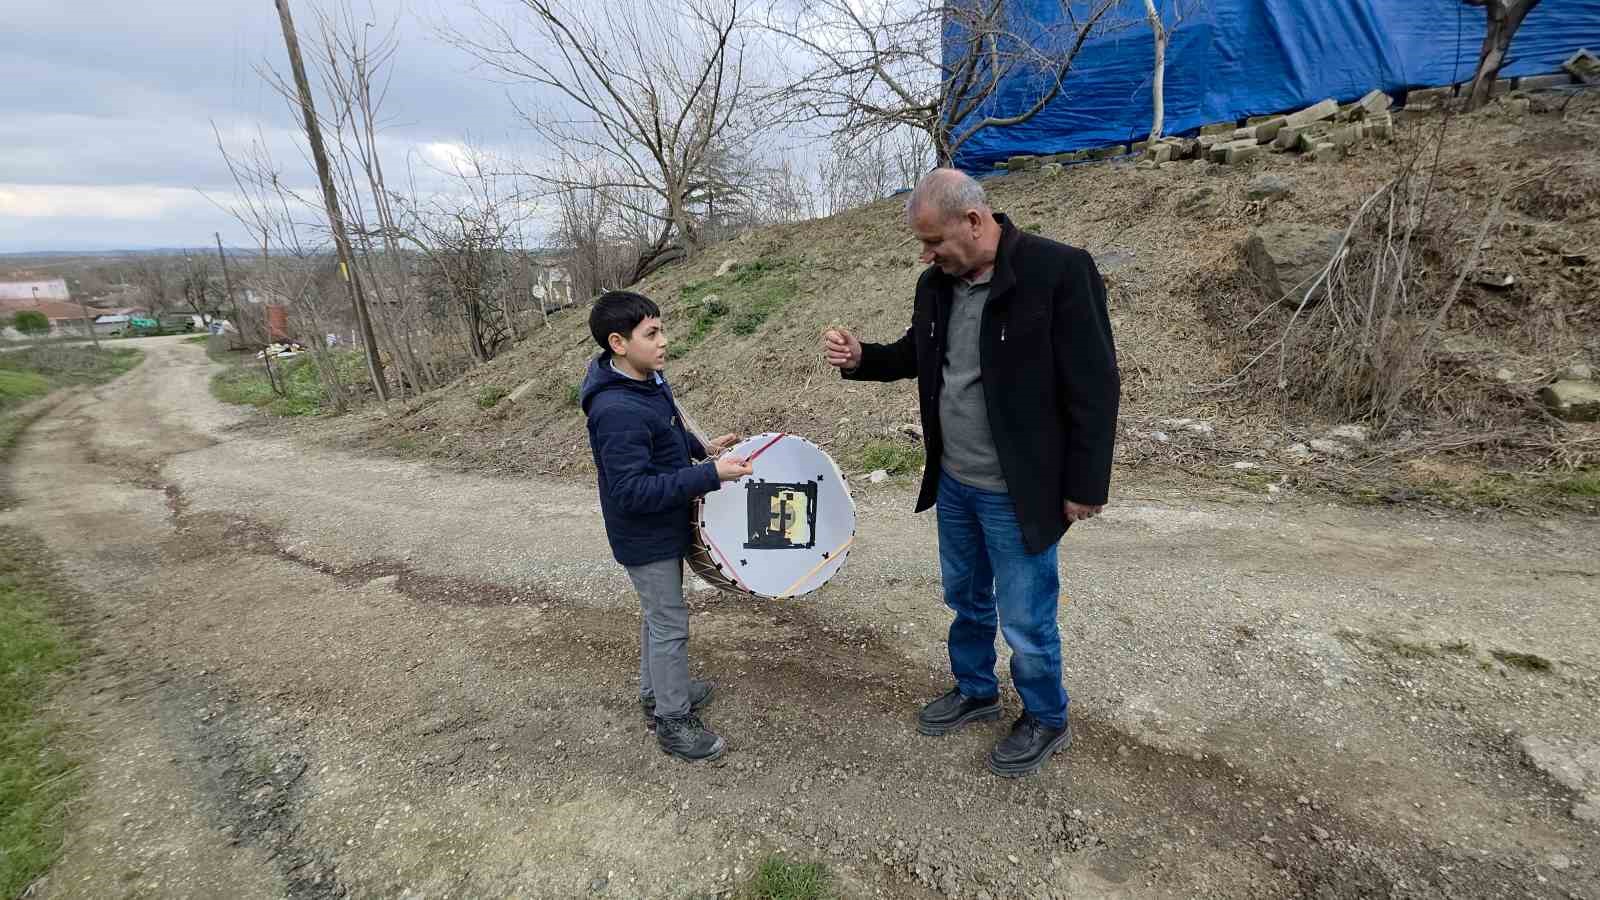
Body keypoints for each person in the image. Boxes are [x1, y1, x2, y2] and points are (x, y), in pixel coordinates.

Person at [823, 169, 1119, 777]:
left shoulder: (1058, 271)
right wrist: (861, 358)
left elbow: (1094, 384)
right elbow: (918, 352)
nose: (926, 255)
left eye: (933, 241)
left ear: (975, 222)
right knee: (965, 599)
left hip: (1019, 490)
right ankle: (977, 690)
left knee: (1026, 617)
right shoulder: (936, 285)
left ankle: (1046, 716)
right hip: (956, 482)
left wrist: (1085, 484)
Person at [580, 290, 752, 763]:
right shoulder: (617, 410)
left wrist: (701, 449)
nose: (664, 341)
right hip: (644, 535)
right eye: (651, 333)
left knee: (658, 617)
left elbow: (665, 435)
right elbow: (631, 490)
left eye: (662, 329)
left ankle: (657, 692)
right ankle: (673, 721)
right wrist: (711, 475)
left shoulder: (647, 381)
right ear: (618, 343)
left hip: (663, 524)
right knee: (669, 624)